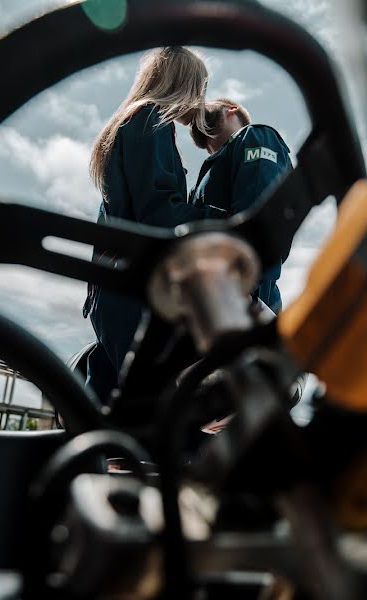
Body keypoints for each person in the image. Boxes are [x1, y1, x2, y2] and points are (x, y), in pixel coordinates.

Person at [84, 47, 227, 403]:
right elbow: (161, 214)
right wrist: (224, 222)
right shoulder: (151, 120)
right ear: (185, 84)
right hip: (136, 293)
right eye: (200, 86)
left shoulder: (126, 124)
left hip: (110, 291)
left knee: (124, 420)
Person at [189, 98, 293, 312]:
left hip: (245, 294)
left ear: (231, 109)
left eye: (208, 103)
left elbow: (259, 218)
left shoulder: (255, 136)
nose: (200, 109)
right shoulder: (206, 177)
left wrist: (245, 287)